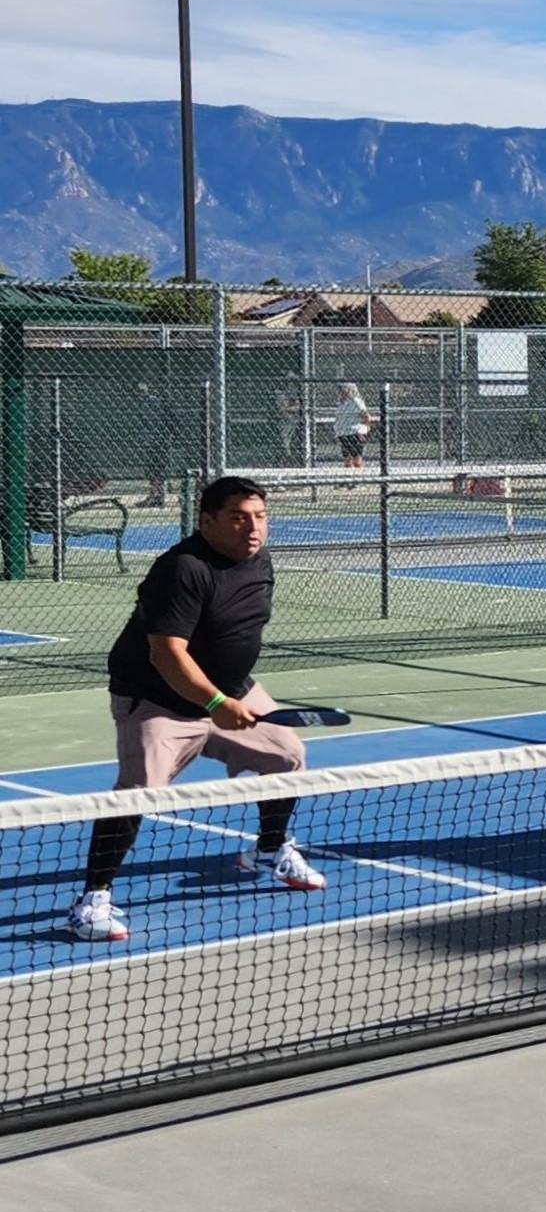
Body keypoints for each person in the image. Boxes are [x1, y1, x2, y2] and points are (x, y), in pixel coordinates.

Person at [69, 476, 320, 944]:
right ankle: (90, 901)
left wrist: (230, 696)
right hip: (158, 701)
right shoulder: (181, 568)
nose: (253, 528)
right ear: (206, 521)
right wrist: (214, 703)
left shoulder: (259, 560)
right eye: (238, 518)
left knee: (288, 757)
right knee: (138, 792)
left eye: (261, 517)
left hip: (230, 693)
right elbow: (167, 653)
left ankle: (268, 850)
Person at [333, 382, 374, 471]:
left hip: (355, 433)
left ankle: (358, 479)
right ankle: (349, 481)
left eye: (343, 389)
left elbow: (366, 416)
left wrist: (366, 428)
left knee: (356, 459)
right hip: (343, 434)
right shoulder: (341, 403)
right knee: (347, 460)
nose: (340, 391)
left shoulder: (355, 401)